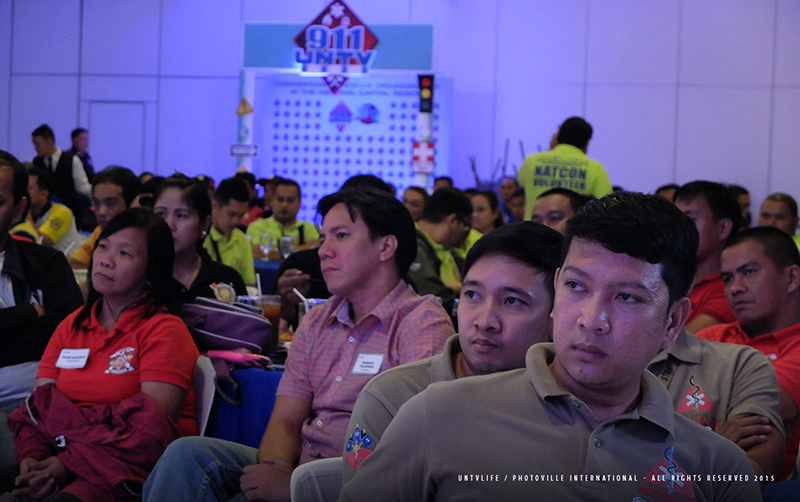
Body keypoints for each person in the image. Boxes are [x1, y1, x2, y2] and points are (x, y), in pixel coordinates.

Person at [339, 192, 760, 502]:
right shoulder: (438, 415)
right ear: (557, 290)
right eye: (577, 286)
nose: (591, 318)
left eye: (627, 297)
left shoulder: (716, 468)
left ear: (671, 322)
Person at [143, 189, 454, 502]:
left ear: (386, 246)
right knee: (187, 455)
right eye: (323, 239)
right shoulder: (318, 320)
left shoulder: (420, 322)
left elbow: (414, 444)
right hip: (302, 464)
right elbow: (286, 419)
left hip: (362, 478)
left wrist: (296, 488)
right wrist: (277, 469)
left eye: (341, 236)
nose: (323, 251)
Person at [1, 208, 198, 501]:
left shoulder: (165, 331)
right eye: (103, 246)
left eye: (125, 254)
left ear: (151, 272)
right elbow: (37, 408)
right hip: (61, 457)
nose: (105, 259)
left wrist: (66, 463)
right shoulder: (72, 324)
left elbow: (148, 431)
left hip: (127, 471)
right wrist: (34, 456)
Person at [342, 222, 562, 483]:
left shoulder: (572, 405)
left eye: (512, 301)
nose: (484, 320)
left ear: (557, 315)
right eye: (472, 295)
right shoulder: (393, 396)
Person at [0, 152, 83, 467]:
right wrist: (29, 314)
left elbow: (68, 338)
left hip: (43, 400)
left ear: (20, 208)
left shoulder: (47, 263)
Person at [697, 226, 800, 480]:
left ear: (792, 278)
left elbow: (756, 410)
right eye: (728, 278)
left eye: (749, 272)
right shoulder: (714, 335)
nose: (735, 288)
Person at [648, 327, 785, 479]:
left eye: (629, 300)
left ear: (677, 312)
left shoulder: (741, 361)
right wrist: (713, 450)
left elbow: (756, 464)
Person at [153, 174, 247, 309]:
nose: (169, 225)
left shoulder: (227, 280)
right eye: (160, 214)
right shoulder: (142, 279)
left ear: (204, 224)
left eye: (181, 215)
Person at [674, 181, 739, 333]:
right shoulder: (668, 278)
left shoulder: (732, 288)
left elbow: (678, 347)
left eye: (689, 221)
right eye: (676, 221)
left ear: (723, 228)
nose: (678, 229)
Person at [517, 116, 612, 220]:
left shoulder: (531, 162)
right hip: (572, 232)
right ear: (587, 142)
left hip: (532, 229)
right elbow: (606, 205)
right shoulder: (595, 168)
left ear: (558, 136)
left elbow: (521, 182)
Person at [407, 187, 472, 314]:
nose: (465, 235)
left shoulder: (445, 250)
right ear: (452, 220)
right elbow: (430, 292)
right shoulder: (411, 243)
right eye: (465, 227)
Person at [70, 166, 141, 269]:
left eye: (110, 203)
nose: (101, 212)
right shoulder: (100, 231)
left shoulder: (143, 240)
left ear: (132, 204)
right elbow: (75, 263)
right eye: (97, 204)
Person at [13, 166, 81, 255]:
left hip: (69, 265)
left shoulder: (62, 212)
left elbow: (41, 241)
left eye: (28, 189)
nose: (23, 192)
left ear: (44, 194)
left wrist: (25, 210)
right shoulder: (30, 212)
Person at [246, 178, 319, 259]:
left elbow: (315, 249)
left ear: (300, 203)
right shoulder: (257, 226)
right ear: (272, 201)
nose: (284, 205)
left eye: (290, 200)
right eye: (280, 200)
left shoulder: (311, 228)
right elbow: (255, 252)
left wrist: (273, 252)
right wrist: (302, 250)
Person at [203, 176, 255, 286]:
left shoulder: (242, 240)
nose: (236, 221)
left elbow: (250, 285)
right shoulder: (200, 235)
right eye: (231, 214)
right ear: (215, 206)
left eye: (241, 215)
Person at [30, 125, 91, 216]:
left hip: (69, 214)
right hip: (43, 215)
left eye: (38, 144)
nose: (35, 148)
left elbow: (83, 188)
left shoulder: (72, 160)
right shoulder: (35, 162)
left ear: (49, 141)